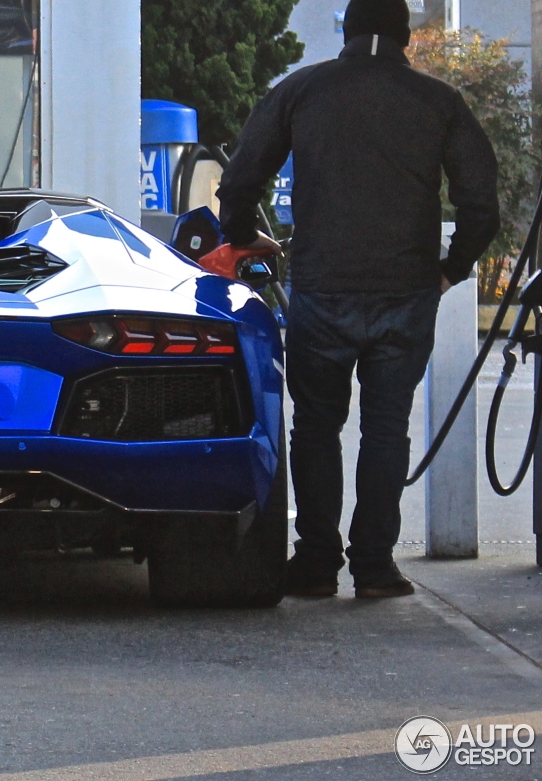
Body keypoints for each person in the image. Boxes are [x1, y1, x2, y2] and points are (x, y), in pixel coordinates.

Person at [215, 0, 500, 598]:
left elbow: (239, 182)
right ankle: (374, 566)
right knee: (386, 428)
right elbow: (482, 207)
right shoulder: (439, 103)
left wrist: (243, 238)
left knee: (316, 426)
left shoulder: (302, 90)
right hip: (406, 290)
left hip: (322, 288)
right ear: (405, 37)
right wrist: (449, 271)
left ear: (346, 31)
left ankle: (317, 563)